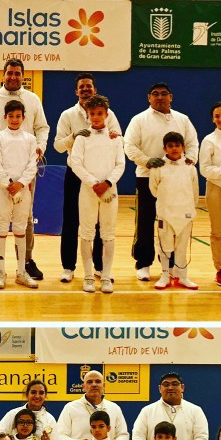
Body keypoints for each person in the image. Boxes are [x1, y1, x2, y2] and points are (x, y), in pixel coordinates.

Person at [0, 59, 50, 282]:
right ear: (4, 75)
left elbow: (42, 128)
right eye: (10, 73)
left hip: (25, 167)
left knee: (26, 216)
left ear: (23, 76)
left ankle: (26, 262)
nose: (13, 77)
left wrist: (40, 148)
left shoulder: (32, 99)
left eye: (17, 73)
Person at [124, 82, 198, 282]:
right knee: (145, 221)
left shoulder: (182, 119)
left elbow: (192, 143)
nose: (160, 97)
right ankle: (143, 263)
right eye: (155, 94)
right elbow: (129, 146)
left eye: (164, 94)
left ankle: (171, 265)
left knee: (174, 221)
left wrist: (190, 159)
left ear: (171, 97)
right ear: (149, 98)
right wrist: (146, 160)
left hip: (176, 180)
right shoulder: (139, 120)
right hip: (147, 176)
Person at [54, 74, 122, 282]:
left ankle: (100, 267)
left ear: (94, 89)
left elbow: (118, 139)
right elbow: (58, 146)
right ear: (76, 91)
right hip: (77, 175)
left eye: (89, 86)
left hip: (103, 177)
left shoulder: (109, 114)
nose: (85, 89)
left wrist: (114, 136)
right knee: (71, 220)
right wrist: (74, 136)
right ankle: (68, 267)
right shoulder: (67, 115)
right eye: (81, 87)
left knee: (102, 224)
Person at [69, 94, 125, 293]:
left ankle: (106, 276)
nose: (96, 117)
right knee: (86, 233)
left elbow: (120, 164)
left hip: (109, 191)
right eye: (92, 113)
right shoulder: (82, 138)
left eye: (99, 113)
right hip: (88, 191)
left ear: (106, 114)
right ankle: (88, 276)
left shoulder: (115, 139)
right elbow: (75, 163)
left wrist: (107, 183)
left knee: (108, 234)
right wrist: (94, 183)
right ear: (87, 115)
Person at [0, 99, 39, 289]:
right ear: (5, 117)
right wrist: (8, 183)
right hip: (2, 190)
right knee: (1, 227)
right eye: (11, 116)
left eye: (18, 116)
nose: (15, 119)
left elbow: (32, 164)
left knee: (20, 227)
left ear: (24, 118)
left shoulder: (30, 139)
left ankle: (21, 272)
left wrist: (20, 183)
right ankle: (0, 271)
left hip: (23, 190)